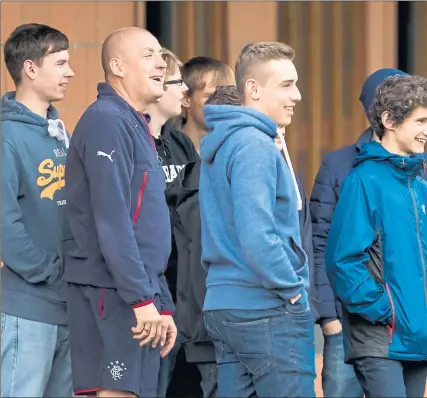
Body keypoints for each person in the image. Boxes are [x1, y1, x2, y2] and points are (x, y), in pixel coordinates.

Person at [63, 28, 176, 397]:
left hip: (137, 292)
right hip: (113, 293)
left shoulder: (133, 122)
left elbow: (147, 228)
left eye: (160, 55)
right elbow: (112, 220)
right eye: (148, 55)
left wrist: (162, 303)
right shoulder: (106, 120)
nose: (161, 62)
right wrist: (143, 300)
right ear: (117, 66)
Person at [199, 42, 315, 397]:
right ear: (252, 88)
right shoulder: (254, 145)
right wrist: (292, 291)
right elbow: (257, 234)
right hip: (265, 306)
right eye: (285, 84)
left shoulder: (228, 140)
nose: (296, 95)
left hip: (225, 304)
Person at [325, 74, 427, 397]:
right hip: (380, 338)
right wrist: (386, 310)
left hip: (417, 336)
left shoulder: (420, 186)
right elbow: (342, 261)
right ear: (388, 120)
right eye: (420, 121)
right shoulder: (363, 180)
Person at [310, 68, 408, 397]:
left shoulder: (421, 168)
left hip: (410, 322)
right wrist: (328, 317)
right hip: (347, 320)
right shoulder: (339, 164)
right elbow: (320, 243)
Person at [1, 23, 75, 397]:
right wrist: (52, 271)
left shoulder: (58, 130)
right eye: (60, 63)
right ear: (30, 68)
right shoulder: (6, 136)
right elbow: (5, 227)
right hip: (28, 308)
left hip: (66, 304)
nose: (70, 72)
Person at [144, 48, 199, 398]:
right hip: (151, 292)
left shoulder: (180, 143)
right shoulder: (130, 141)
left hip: (186, 289)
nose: (185, 92)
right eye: (178, 82)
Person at [181, 56, 235, 152]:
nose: (223, 103)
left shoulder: (239, 147)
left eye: (228, 94)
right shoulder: (167, 150)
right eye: (212, 95)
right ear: (186, 99)